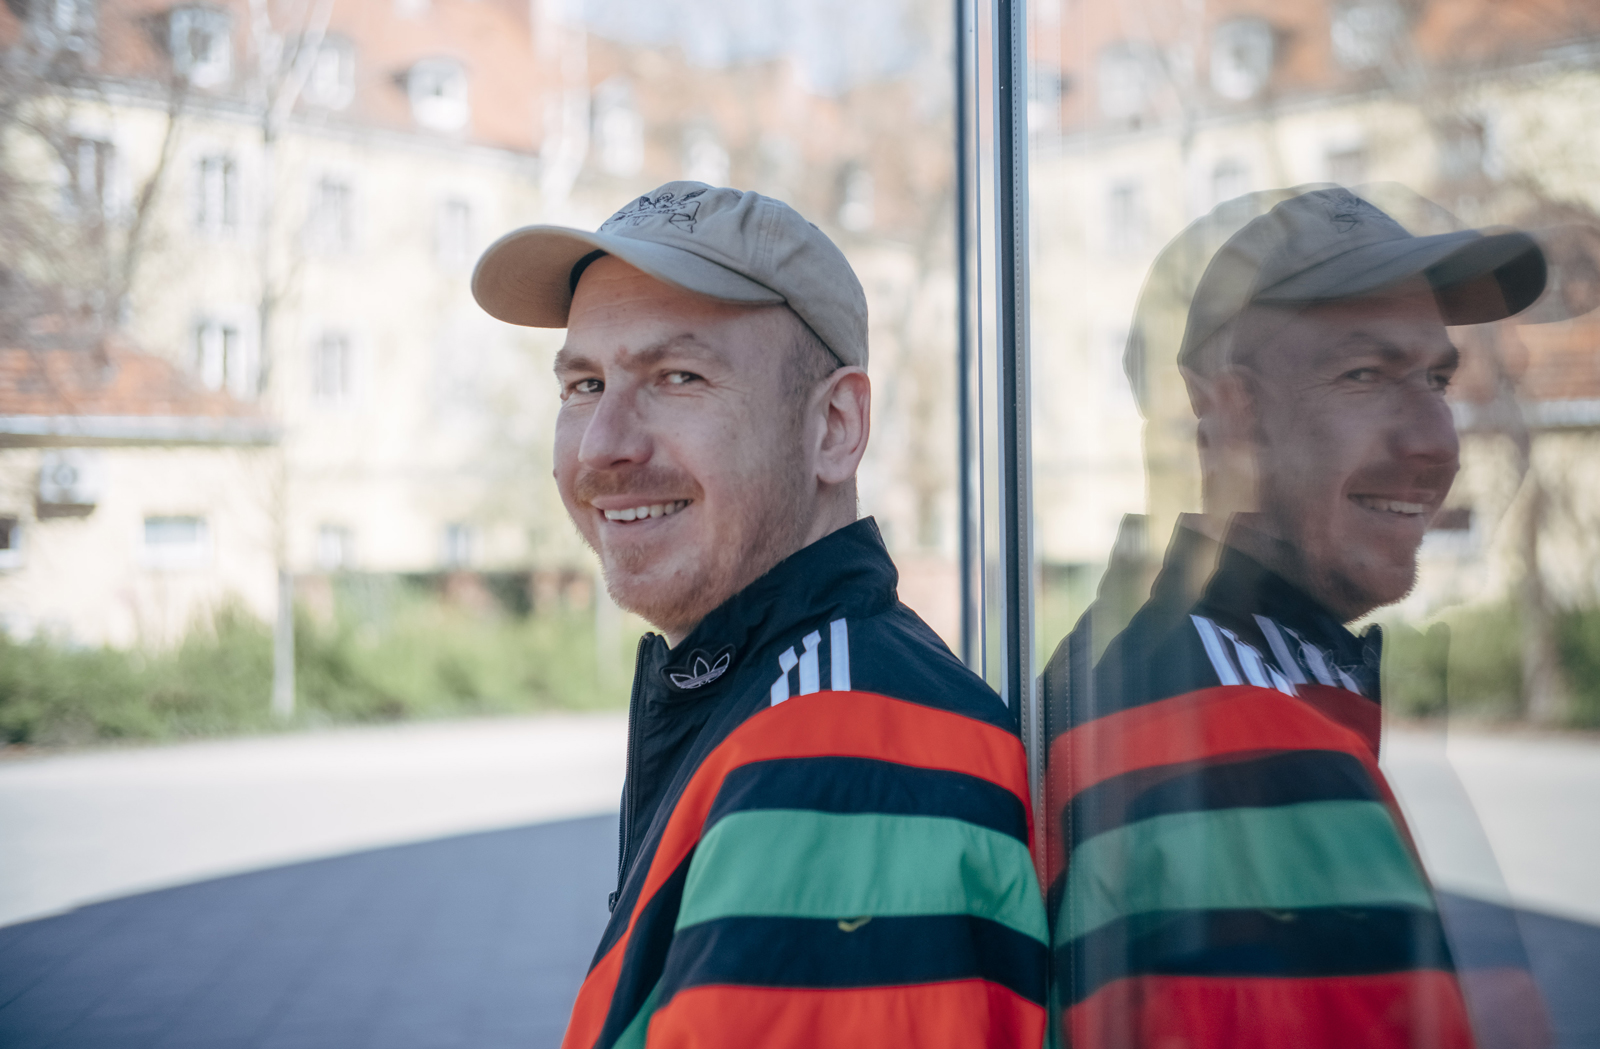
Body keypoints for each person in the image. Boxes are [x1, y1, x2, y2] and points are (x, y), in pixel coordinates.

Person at [473, 182, 1047, 1047]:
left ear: (835, 426)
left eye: (677, 377)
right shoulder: (783, 695)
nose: (602, 445)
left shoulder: (835, 750)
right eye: (585, 383)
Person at [1040, 186, 1558, 1049]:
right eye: (1364, 375)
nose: (1436, 438)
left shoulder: (1197, 659)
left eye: (1435, 378)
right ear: (1226, 416)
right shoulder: (1232, 728)